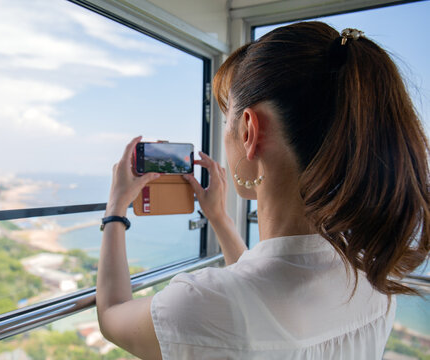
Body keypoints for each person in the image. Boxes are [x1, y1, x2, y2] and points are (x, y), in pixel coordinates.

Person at [95, 21, 430, 359]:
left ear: (249, 131)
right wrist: (219, 217)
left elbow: (113, 315)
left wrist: (116, 208)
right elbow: (260, 290)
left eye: (228, 119)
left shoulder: (202, 306)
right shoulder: (371, 278)